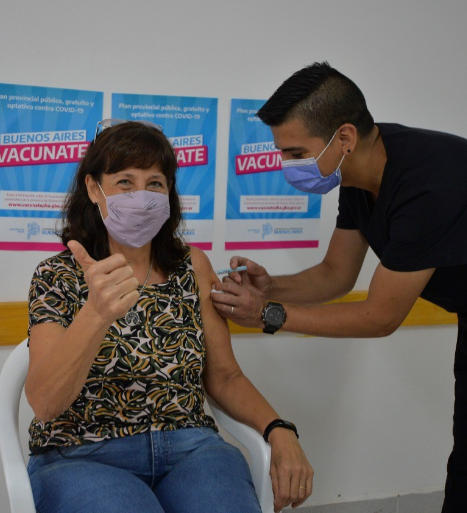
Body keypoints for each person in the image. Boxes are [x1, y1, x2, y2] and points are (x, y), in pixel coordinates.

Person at [210, 62, 467, 512]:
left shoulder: (431, 181)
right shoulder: (360, 174)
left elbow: (380, 317)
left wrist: (267, 315)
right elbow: (336, 274)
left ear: (344, 138)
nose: (287, 166)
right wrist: (270, 287)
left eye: (296, 153)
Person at [24, 119, 313, 513]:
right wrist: (96, 313)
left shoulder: (192, 266)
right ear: (94, 189)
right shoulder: (56, 275)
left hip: (190, 448)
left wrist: (279, 429)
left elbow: (225, 377)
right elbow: (44, 403)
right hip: (82, 455)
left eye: (155, 184)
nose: (141, 197)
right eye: (125, 182)